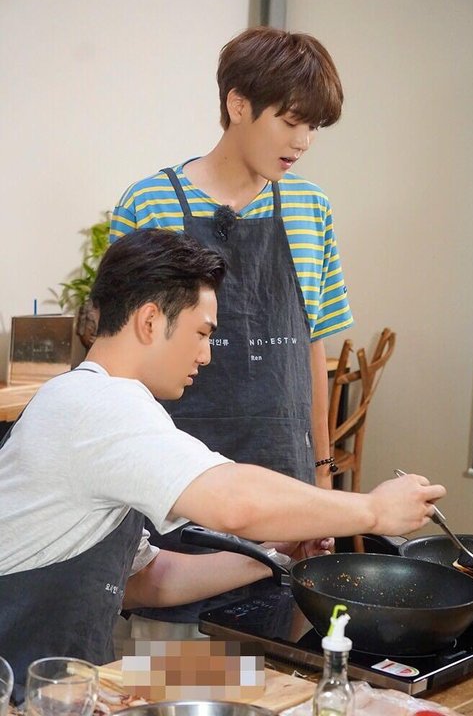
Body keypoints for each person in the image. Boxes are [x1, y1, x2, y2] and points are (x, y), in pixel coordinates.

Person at [0, 229, 445, 694]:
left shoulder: (83, 398)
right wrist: (373, 509)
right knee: (280, 689)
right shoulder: (100, 404)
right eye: (202, 333)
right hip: (22, 691)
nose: (206, 355)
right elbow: (234, 502)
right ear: (150, 321)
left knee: (259, 683)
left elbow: (148, 580)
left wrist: (274, 555)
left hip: (74, 681)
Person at [109, 25, 353, 629]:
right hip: (174, 487)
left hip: (280, 488)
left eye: (314, 127)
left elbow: (312, 349)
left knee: (270, 662)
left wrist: (321, 482)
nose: (302, 142)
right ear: (238, 104)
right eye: (291, 121)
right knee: (169, 665)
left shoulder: (311, 208)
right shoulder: (149, 203)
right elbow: (120, 364)